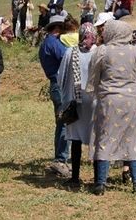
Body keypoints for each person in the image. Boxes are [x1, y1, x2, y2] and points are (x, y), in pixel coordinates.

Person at [86, 20, 136, 195]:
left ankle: (100, 183)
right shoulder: (135, 52)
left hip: (108, 101)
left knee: (105, 139)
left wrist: (97, 94)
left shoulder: (102, 51)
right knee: (132, 139)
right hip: (131, 101)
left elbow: (93, 78)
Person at [56, 22, 98, 186]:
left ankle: (75, 178)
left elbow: (61, 77)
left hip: (75, 102)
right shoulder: (100, 52)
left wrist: (65, 96)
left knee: (75, 140)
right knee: (96, 140)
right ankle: (97, 178)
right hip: (95, 101)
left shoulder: (70, 52)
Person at [39, 18, 70, 176]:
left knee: (61, 123)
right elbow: (67, 57)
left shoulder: (46, 43)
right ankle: (61, 159)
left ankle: (60, 158)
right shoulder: (54, 43)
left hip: (55, 83)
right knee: (66, 122)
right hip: (60, 83)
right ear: (58, 28)